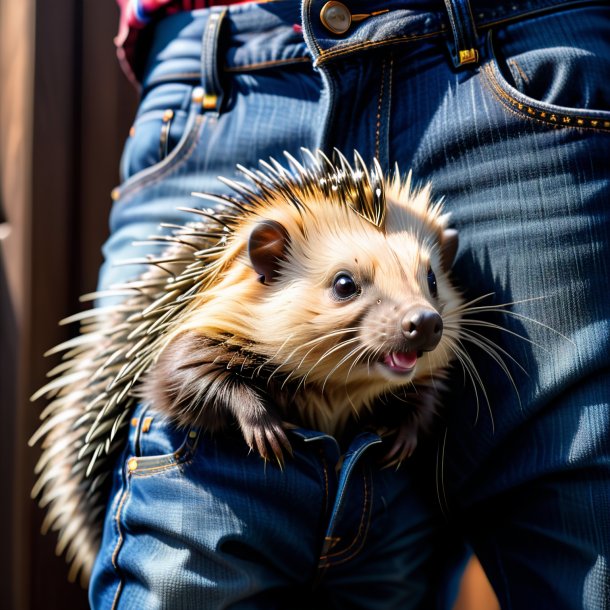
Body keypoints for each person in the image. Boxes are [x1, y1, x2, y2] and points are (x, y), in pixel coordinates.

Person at [89, 1, 610, 608]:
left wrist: (413, 408)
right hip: (222, 73)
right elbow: (182, 374)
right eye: (345, 287)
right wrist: (244, 406)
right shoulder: (235, 331)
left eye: (429, 286)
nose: (421, 313)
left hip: (525, 52)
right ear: (267, 262)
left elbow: (421, 378)